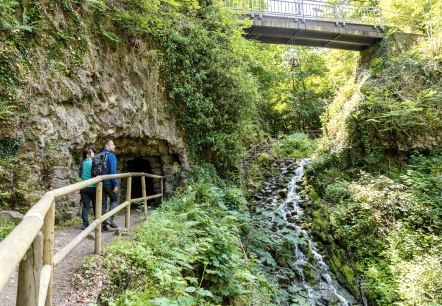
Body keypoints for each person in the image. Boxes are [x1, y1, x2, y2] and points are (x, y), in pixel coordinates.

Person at [101, 140, 119, 230]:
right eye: (112, 145)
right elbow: (112, 171)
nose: (114, 146)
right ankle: (109, 219)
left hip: (100, 183)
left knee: (103, 204)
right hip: (109, 183)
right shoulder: (111, 156)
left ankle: (103, 225)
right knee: (115, 200)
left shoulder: (99, 156)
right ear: (107, 146)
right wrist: (115, 184)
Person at [79, 148, 96, 230]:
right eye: (92, 152)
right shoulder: (93, 162)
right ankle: (97, 221)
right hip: (93, 187)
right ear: (88, 154)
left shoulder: (82, 163)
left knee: (86, 206)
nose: (93, 153)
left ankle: (85, 223)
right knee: (95, 205)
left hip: (83, 187)